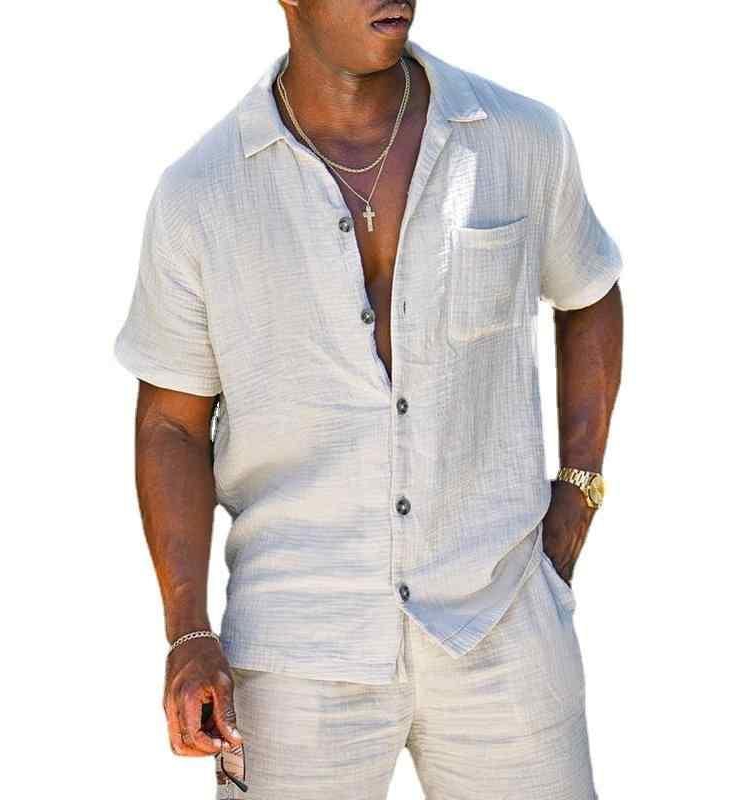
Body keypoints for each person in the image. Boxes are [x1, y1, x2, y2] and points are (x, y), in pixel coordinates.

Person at [114, 1, 624, 797]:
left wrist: (580, 485)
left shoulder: (518, 139)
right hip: (294, 645)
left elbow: (588, 292)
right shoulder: (201, 194)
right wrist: (187, 631)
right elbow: (171, 424)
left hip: (501, 618)